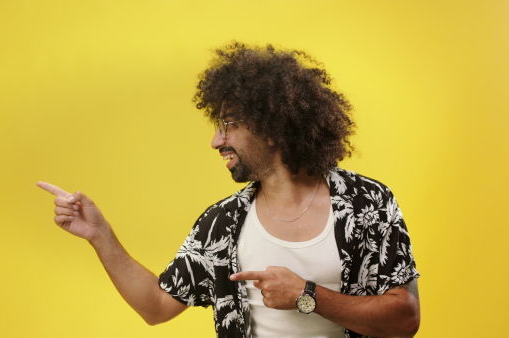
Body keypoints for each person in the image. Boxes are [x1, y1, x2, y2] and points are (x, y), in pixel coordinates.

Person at [37, 42, 420, 338]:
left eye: (229, 124)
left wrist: (307, 295)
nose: (216, 140)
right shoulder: (222, 223)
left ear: (272, 127)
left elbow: (405, 318)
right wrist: (100, 235)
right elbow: (156, 306)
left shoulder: (367, 202)